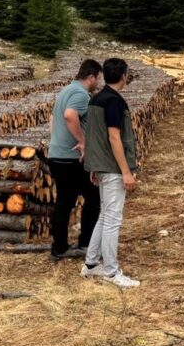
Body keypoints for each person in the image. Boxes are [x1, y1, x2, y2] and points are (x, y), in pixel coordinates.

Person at [80, 58, 140, 289]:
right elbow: (113, 136)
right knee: (113, 219)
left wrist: (95, 165)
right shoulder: (114, 101)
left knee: (105, 215)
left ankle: (92, 264)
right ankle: (112, 272)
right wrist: (126, 171)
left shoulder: (96, 98)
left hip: (102, 166)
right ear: (124, 75)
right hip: (113, 168)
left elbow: (94, 135)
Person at [47, 59, 103, 261]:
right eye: (98, 78)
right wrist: (83, 142)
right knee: (94, 197)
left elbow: (54, 119)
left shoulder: (66, 90)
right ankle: (86, 243)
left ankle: (59, 246)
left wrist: (56, 142)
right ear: (91, 77)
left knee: (64, 202)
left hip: (58, 155)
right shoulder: (80, 94)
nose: (98, 82)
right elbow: (70, 116)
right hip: (71, 158)